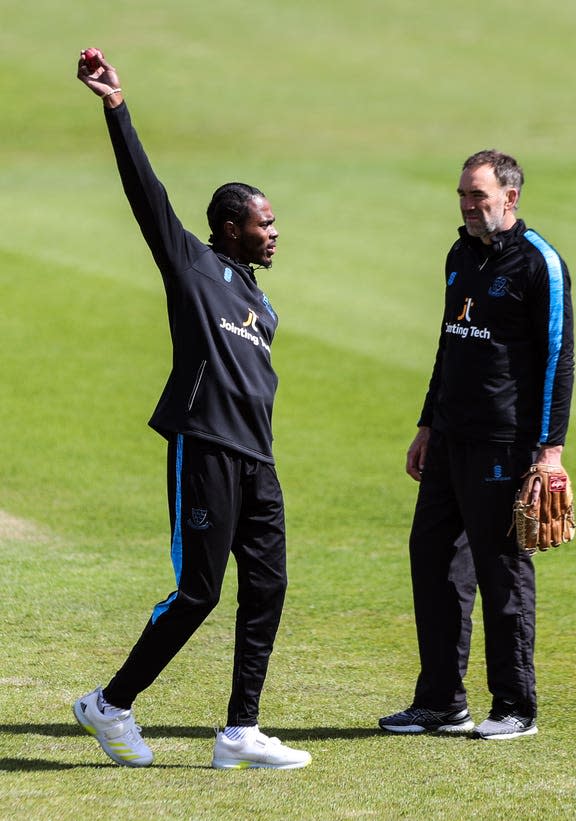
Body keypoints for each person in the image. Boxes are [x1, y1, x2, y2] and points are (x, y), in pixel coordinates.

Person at [73, 49, 311, 770]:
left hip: (257, 459)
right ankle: (109, 704)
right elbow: (145, 192)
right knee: (200, 591)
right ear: (230, 226)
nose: (274, 231)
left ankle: (241, 731)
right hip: (204, 446)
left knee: (267, 583)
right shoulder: (191, 265)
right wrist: (116, 107)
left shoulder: (258, 298)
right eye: (263, 223)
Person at [379, 150, 574, 740]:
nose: (467, 206)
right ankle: (441, 701)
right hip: (449, 439)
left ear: (509, 198)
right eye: (462, 195)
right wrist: (426, 424)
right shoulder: (459, 254)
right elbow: (450, 345)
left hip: (504, 443)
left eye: (478, 196)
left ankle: (516, 706)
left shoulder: (540, 263)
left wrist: (550, 452)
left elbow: (558, 362)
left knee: (502, 572)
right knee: (433, 562)